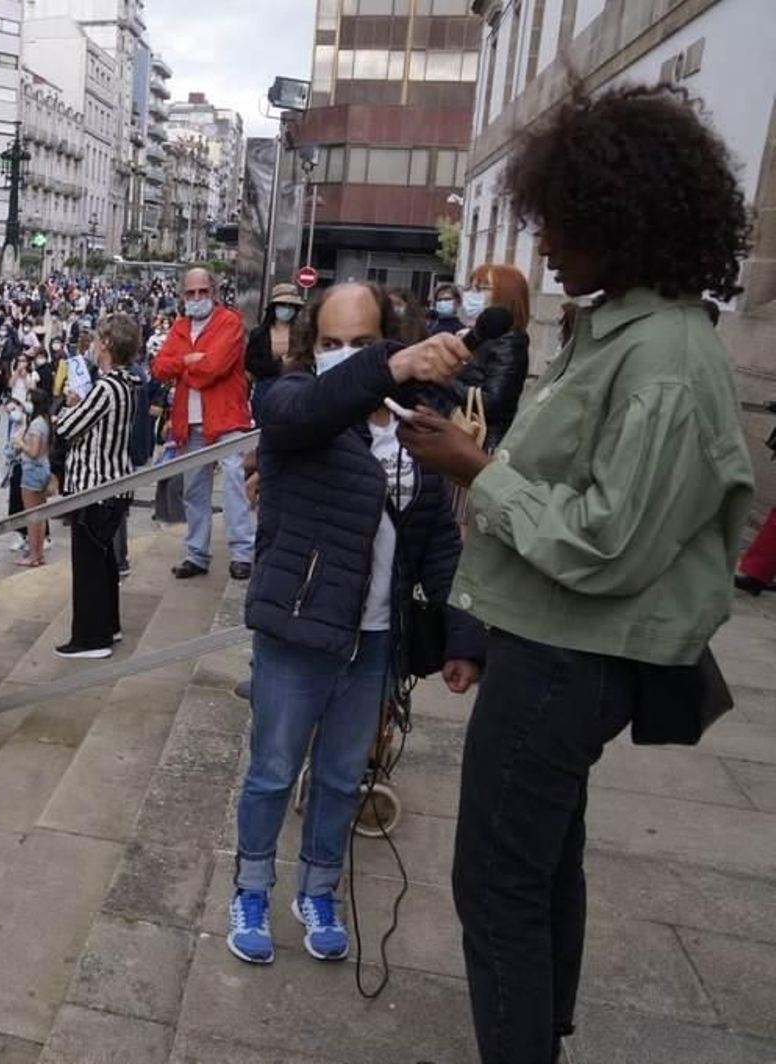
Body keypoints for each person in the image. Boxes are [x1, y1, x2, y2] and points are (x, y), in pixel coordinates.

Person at [395, 85, 755, 1064]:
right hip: (549, 639)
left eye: (558, 222)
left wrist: (477, 470)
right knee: (542, 860)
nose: (544, 246)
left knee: (496, 883)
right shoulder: (629, 333)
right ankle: (539, 1032)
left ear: (619, 220)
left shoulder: (666, 361)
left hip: (569, 652)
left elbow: (608, 541)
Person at [227, 281, 482, 968]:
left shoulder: (417, 426)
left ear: (390, 339)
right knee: (273, 771)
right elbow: (305, 409)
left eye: (363, 344)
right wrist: (392, 365)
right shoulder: (292, 405)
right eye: (332, 344)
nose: (346, 357)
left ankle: (319, 890)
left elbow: (437, 541)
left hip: (376, 639)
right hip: (298, 632)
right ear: (312, 348)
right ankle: (251, 887)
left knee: (342, 777)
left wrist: (462, 634)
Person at [153, 267, 255, 582]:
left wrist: (183, 366)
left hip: (225, 417)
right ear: (183, 295)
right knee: (193, 490)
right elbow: (159, 367)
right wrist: (187, 361)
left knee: (235, 485)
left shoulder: (230, 322)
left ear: (213, 292)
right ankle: (197, 553)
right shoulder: (181, 326)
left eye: (202, 292)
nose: (197, 298)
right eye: (191, 293)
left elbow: (215, 367)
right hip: (189, 422)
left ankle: (242, 554)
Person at [53, 315, 138, 658]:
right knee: (103, 564)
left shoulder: (106, 388)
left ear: (107, 344)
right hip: (112, 485)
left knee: (88, 566)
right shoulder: (125, 383)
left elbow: (66, 427)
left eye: (99, 339)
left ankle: (91, 638)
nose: (94, 344)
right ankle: (108, 626)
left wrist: (70, 407)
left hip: (96, 487)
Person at [456, 263, 531, 451]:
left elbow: (494, 403)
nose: (472, 295)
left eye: (481, 289)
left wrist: (442, 378)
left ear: (505, 295)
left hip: (484, 443)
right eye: (471, 288)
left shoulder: (510, 342)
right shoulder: (478, 335)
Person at [244, 284, 305, 423]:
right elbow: (250, 363)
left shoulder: (303, 333)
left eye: (291, 305)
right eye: (283, 304)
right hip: (266, 387)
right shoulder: (259, 333)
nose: (287, 309)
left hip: (295, 388)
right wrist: (279, 365)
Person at [14, 386, 54, 568]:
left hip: (32, 471)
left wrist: (21, 443)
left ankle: (33, 555)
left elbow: (34, 451)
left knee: (32, 516)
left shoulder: (37, 424)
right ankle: (39, 555)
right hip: (43, 469)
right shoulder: (45, 421)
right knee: (41, 515)